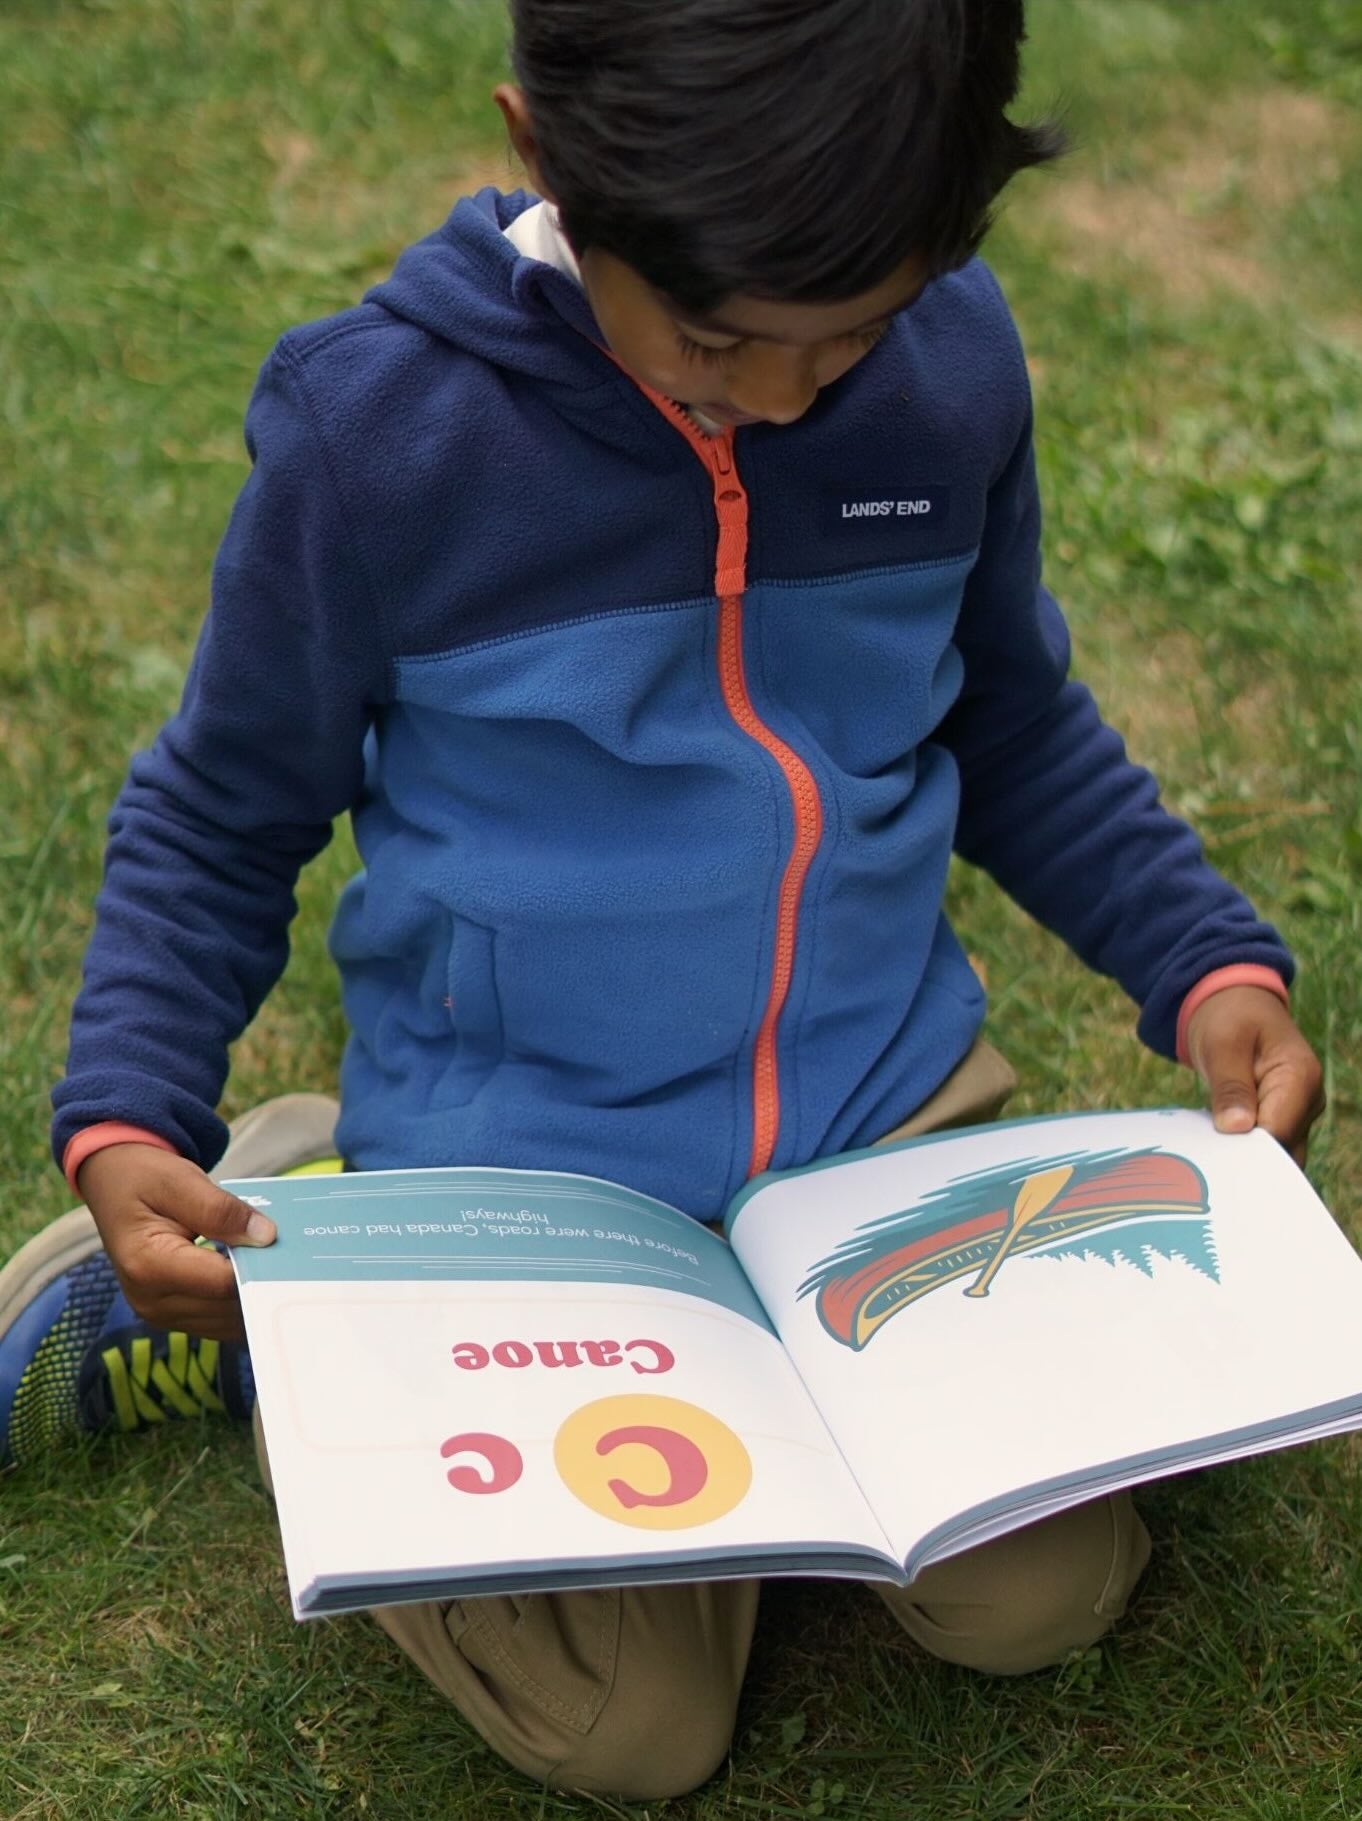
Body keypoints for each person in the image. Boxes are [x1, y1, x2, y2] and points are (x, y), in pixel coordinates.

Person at [0, 0, 1324, 1799]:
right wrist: (132, 1104)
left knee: (1041, 1595)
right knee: (631, 1732)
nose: (783, 395)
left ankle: (608, 1366)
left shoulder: (952, 377)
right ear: (544, 154)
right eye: (716, 339)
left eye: (847, 337)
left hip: (874, 1126)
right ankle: (315, 1281)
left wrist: (1200, 958)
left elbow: (1008, 719)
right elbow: (221, 809)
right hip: (533, 1170)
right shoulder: (374, 440)